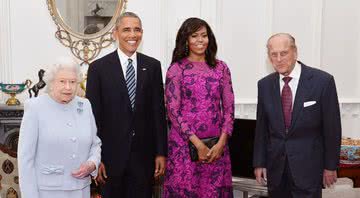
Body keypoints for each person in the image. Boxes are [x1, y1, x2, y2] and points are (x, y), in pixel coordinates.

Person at [85, 12, 167, 198]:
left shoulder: (153, 66)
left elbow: (158, 113)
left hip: (144, 159)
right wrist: (96, 158)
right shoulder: (98, 68)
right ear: (115, 33)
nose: (132, 35)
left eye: (137, 30)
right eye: (126, 30)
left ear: (142, 33)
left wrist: (161, 153)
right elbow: (92, 118)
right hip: (110, 159)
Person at [253, 33, 342, 197]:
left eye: (284, 53)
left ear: (295, 52)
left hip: (309, 169)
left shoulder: (323, 81)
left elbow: (332, 128)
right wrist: (259, 163)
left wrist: (330, 166)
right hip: (276, 170)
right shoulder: (264, 85)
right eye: (274, 54)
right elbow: (262, 129)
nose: (279, 59)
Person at [163, 17, 234, 197]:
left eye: (204, 35)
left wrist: (221, 143)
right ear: (185, 39)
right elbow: (173, 111)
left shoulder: (221, 68)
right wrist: (197, 144)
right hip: (184, 148)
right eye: (194, 36)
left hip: (216, 149)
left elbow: (229, 109)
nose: (200, 40)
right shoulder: (176, 70)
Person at [18, 59, 102, 198]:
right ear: (51, 83)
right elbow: (25, 160)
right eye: (62, 81)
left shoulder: (85, 105)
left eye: (73, 82)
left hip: (80, 190)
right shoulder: (35, 108)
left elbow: (95, 143)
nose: (68, 87)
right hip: (47, 192)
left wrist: (92, 163)